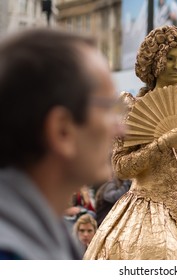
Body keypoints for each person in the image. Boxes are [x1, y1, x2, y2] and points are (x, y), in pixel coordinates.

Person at [84, 25, 177, 260]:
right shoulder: (128, 106)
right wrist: (161, 145)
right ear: (154, 62)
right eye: (170, 59)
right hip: (145, 207)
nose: (176, 66)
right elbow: (121, 168)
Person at [0, 28, 123, 259]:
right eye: (108, 108)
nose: (120, 129)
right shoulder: (12, 253)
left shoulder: (47, 234)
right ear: (62, 130)